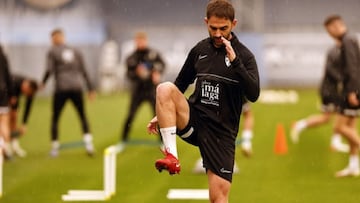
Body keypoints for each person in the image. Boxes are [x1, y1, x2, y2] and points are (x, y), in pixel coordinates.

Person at [147, 0, 260, 202]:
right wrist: (164, 112)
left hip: (222, 133)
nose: (217, 34)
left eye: (223, 29)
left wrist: (236, 63)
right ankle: (172, 157)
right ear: (206, 22)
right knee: (164, 88)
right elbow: (180, 84)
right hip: (195, 120)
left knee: (218, 197)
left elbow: (254, 94)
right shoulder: (200, 50)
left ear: (234, 24)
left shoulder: (244, 56)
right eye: (213, 28)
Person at [41, 28, 96, 157]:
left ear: (55, 38)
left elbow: (49, 70)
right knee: (82, 115)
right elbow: (84, 70)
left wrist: (43, 82)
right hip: (77, 87)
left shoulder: (52, 51)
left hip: (61, 88)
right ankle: (89, 144)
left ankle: (55, 147)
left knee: (55, 117)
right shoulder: (75, 51)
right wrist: (90, 88)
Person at [291, 42, 349, 153]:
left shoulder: (336, 52)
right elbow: (332, 71)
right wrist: (344, 79)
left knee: (335, 115)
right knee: (330, 117)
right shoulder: (335, 53)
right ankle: (299, 125)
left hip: (330, 90)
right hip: (330, 91)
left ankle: (335, 141)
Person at [324, 15, 360, 177]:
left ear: (335, 26)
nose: (329, 34)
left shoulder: (347, 41)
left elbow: (353, 67)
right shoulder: (350, 39)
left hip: (352, 90)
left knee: (339, 127)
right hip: (354, 88)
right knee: (351, 128)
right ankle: (354, 166)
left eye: (329, 30)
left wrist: (352, 91)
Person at [121, 32, 165, 143]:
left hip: (151, 89)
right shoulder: (131, 58)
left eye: (142, 41)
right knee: (131, 114)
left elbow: (162, 65)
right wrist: (137, 73)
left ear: (146, 41)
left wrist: (157, 72)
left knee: (157, 115)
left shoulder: (153, 54)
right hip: (138, 90)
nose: (141, 43)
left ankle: (162, 139)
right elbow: (128, 74)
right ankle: (124, 138)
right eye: (138, 41)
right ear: (135, 42)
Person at [9, 75, 38, 157]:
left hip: (11, 99)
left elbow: (28, 107)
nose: (27, 94)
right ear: (26, 85)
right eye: (27, 92)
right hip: (4, 97)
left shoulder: (30, 91)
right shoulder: (14, 82)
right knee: (7, 119)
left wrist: (24, 123)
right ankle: (5, 146)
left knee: (14, 117)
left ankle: (14, 146)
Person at [0, 44, 13, 159]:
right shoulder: (3, 56)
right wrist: (11, 94)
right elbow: (8, 75)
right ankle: (6, 149)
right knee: (4, 121)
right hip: (2, 91)